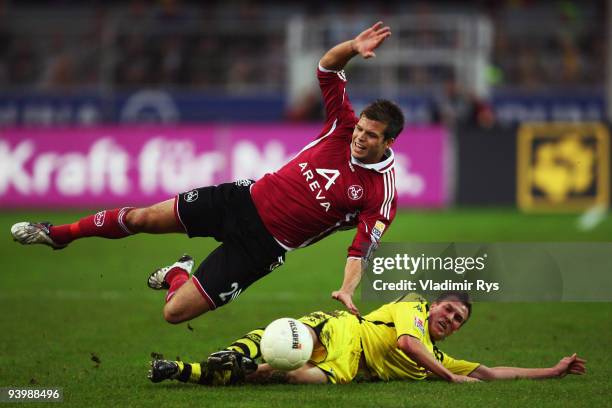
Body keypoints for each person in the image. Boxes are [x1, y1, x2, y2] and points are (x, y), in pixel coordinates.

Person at [10, 22, 404, 323]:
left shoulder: (380, 193)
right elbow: (326, 68)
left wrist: (347, 289)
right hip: (241, 199)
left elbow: (361, 249)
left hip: (263, 249)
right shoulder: (342, 125)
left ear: (388, 143)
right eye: (360, 129)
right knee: (142, 217)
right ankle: (57, 234)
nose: (359, 137)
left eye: (370, 136)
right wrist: (352, 47)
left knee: (174, 314)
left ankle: (176, 275)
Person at [147, 292, 587, 385]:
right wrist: (449, 380)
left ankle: (180, 370)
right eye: (449, 310)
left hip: (351, 367)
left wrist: (552, 371)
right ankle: (235, 353)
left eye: (458, 321)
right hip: (343, 328)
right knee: (280, 338)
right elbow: (407, 344)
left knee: (283, 375)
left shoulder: (437, 355)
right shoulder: (411, 307)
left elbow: (491, 373)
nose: (451, 320)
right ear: (434, 306)